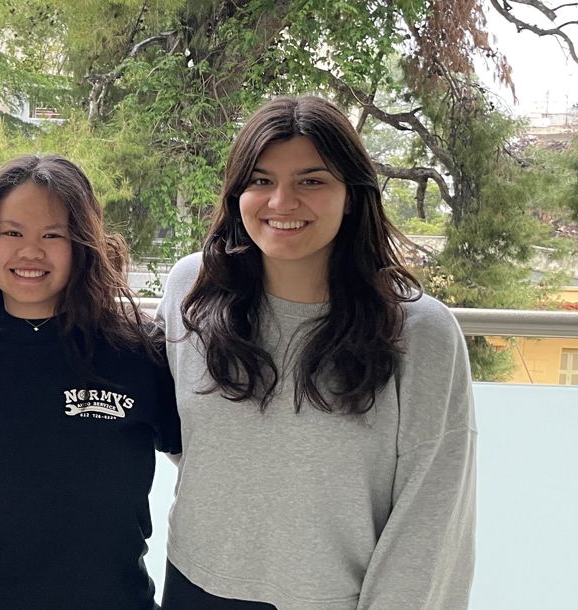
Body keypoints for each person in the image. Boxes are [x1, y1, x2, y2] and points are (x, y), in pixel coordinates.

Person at [157, 96, 477, 609]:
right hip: (196, 583)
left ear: (351, 196)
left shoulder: (419, 332)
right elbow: (173, 427)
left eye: (311, 181)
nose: (281, 202)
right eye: (260, 180)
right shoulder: (192, 289)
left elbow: (431, 516)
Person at [0, 155, 180, 608]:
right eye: (12, 233)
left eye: (52, 235)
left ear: (82, 243)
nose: (30, 251)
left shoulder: (138, 349)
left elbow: (200, 464)